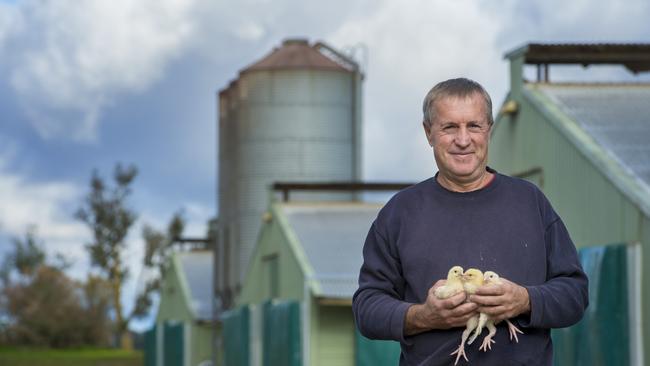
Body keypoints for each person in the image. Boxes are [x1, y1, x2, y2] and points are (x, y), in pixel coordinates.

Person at [352, 78, 588, 365]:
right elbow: (367, 309)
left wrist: (525, 299)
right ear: (428, 133)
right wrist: (423, 316)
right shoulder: (400, 212)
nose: (463, 140)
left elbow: (574, 295)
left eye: (473, 126)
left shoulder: (529, 202)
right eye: (449, 127)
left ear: (489, 129)